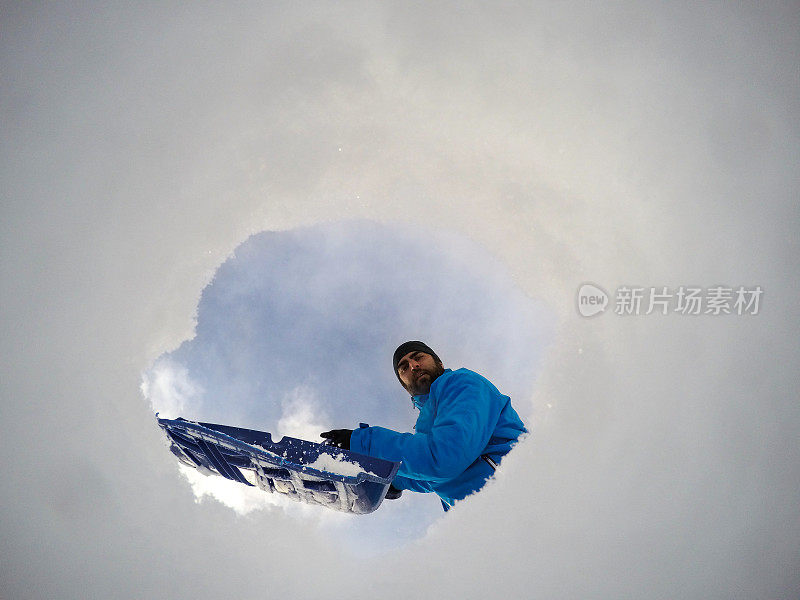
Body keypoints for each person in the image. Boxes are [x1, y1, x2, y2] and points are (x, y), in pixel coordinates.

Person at [320, 341, 527, 511]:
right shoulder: (427, 422)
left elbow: (445, 458)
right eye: (403, 367)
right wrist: (394, 478)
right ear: (404, 384)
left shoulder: (462, 383)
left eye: (418, 357)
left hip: (517, 492)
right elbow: (435, 477)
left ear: (439, 362)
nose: (413, 366)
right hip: (484, 516)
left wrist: (364, 442)